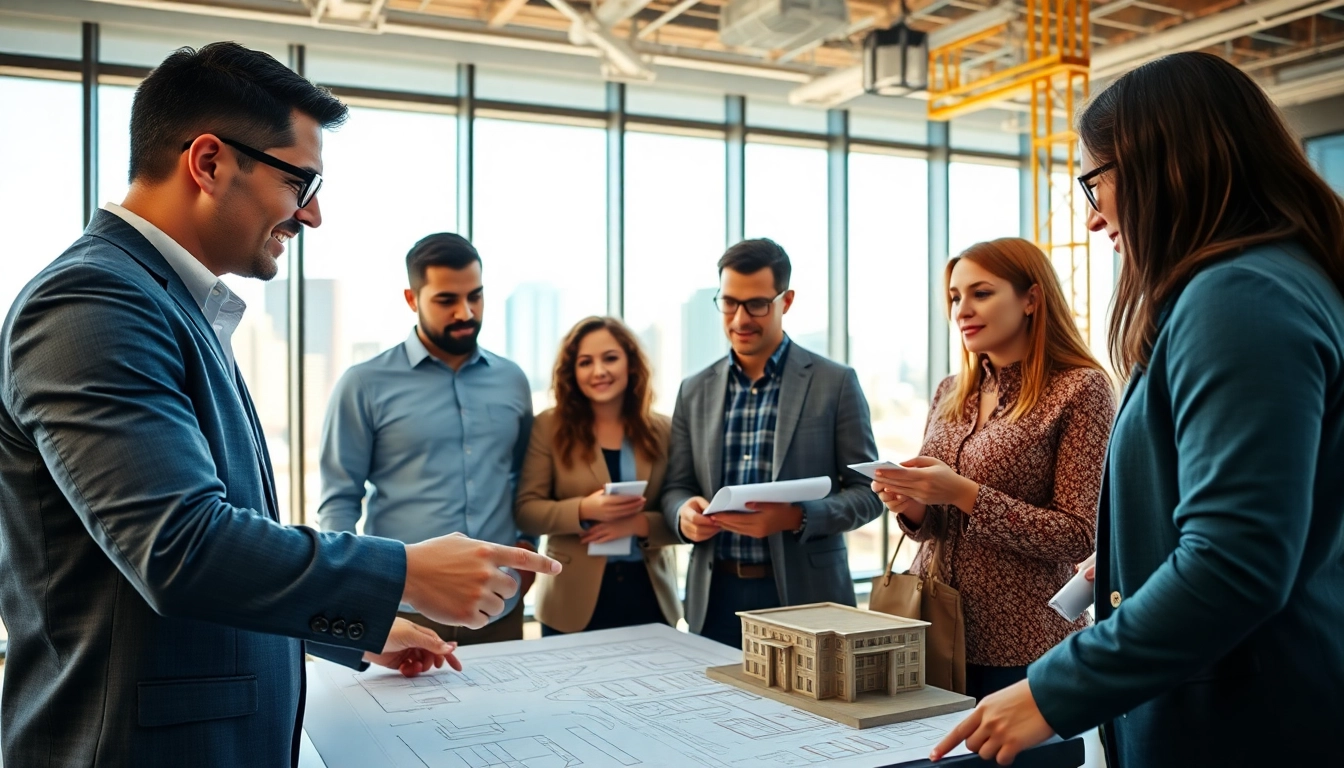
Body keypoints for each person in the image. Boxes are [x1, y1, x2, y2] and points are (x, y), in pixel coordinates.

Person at [0, 43, 558, 767]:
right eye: (302, 180)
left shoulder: (168, 304)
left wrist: (349, 627)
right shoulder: (94, 302)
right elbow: (178, 548)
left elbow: (212, 546)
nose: (314, 214)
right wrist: (406, 574)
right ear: (208, 163)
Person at [931, 52, 1344, 767]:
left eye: (1095, 182)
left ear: (1164, 164)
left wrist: (1052, 690)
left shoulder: (1239, 297)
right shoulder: (1271, 283)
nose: (1093, 220)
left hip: (1237, 722)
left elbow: (1236, 560)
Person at [871, 237, 1114, 700]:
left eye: (980, 293)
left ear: (1031, 299)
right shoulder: (949, 390)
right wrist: (915, 507)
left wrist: (963, 492)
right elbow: (939, 528)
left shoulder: (1081, 389)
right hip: (932, 631)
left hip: (1024, 645)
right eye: (955, 297)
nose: (962, 309)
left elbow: (1080, 535)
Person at [661, 238, 884, 648]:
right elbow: (676, 486)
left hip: (807, 597)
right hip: (714, 600)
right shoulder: (694, 390)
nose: (741, 319)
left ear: (787, 300)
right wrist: (683, 515)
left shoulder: (834, 383)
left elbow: (870, 495)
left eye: (757, 304)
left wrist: (796, 518)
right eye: (729, 303)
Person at [318, 233, 537, 645]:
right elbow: (339, 501)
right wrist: (356, 593)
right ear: (411, 298)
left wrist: (526, 557)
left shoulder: (513, 380)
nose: (465, 312)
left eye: (476, 296)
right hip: (404, 612)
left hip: (500, 607)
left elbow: (524, 477)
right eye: (446, 300)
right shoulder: (363, 384)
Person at [515, 317, 682, 634]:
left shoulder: (664, 430)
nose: (599, 371)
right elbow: (526, 511)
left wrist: (640, 524)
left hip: (649, 595)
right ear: (571, 372)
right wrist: (584, 509)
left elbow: (681, 514)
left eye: (610, 358)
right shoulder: (548, 427)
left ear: (631, 363)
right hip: (571, 602)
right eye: (585, 362)